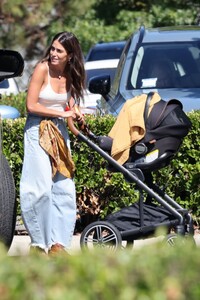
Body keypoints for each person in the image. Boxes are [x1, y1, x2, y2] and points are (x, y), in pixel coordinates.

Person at [20, 31, 85, 255]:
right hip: (37, 129)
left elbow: (69, 111)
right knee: (40, 189)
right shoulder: (42, 69)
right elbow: (30, 105)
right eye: (53, 48)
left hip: (59, 131)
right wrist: (60, 113)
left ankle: (58, 244)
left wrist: (76, 119)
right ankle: (39, 243)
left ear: (71, 55)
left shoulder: (72, 74)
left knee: (65, 188)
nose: (53, 53)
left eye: (59, 50)